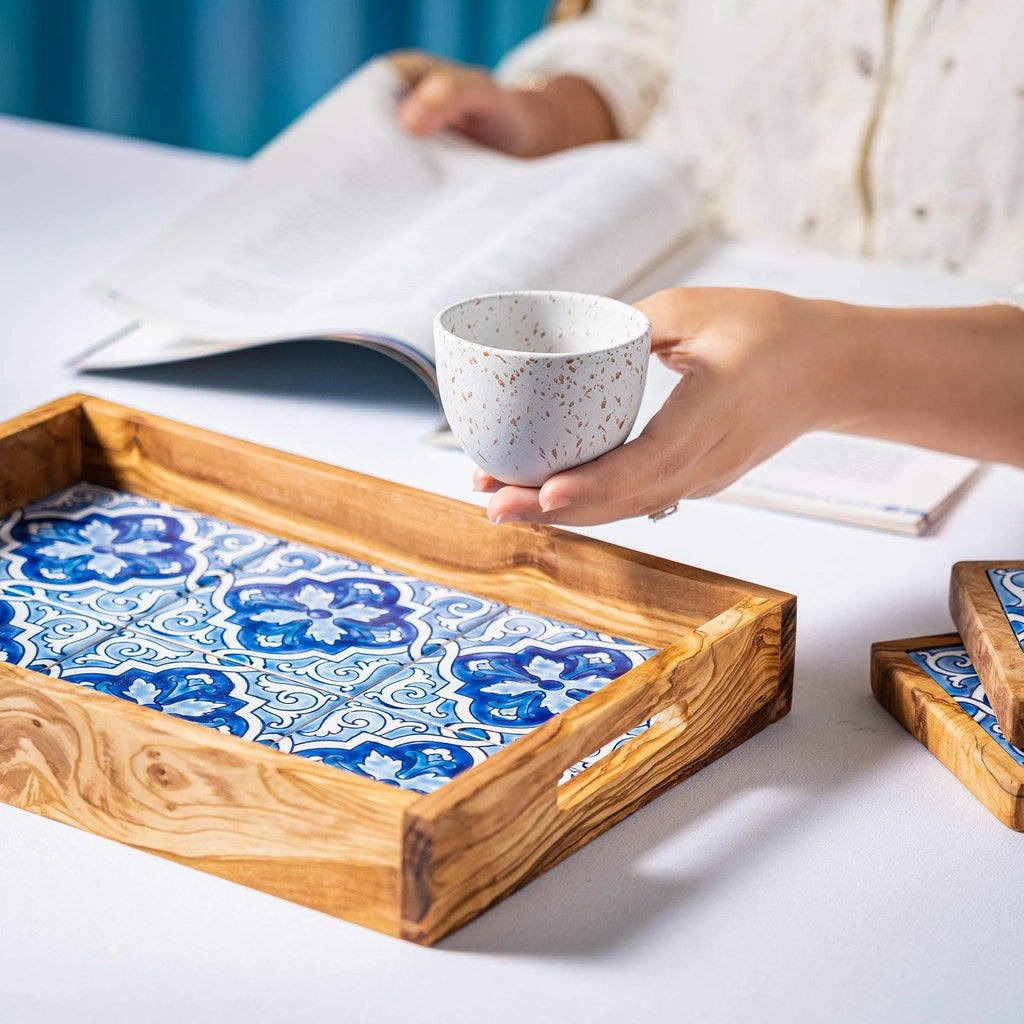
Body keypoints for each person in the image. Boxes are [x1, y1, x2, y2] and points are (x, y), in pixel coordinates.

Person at [389, 2, 1024, 527]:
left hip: (984, 493)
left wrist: (833, 364)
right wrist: (548, 114)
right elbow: (649, 29)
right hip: (697, 369)